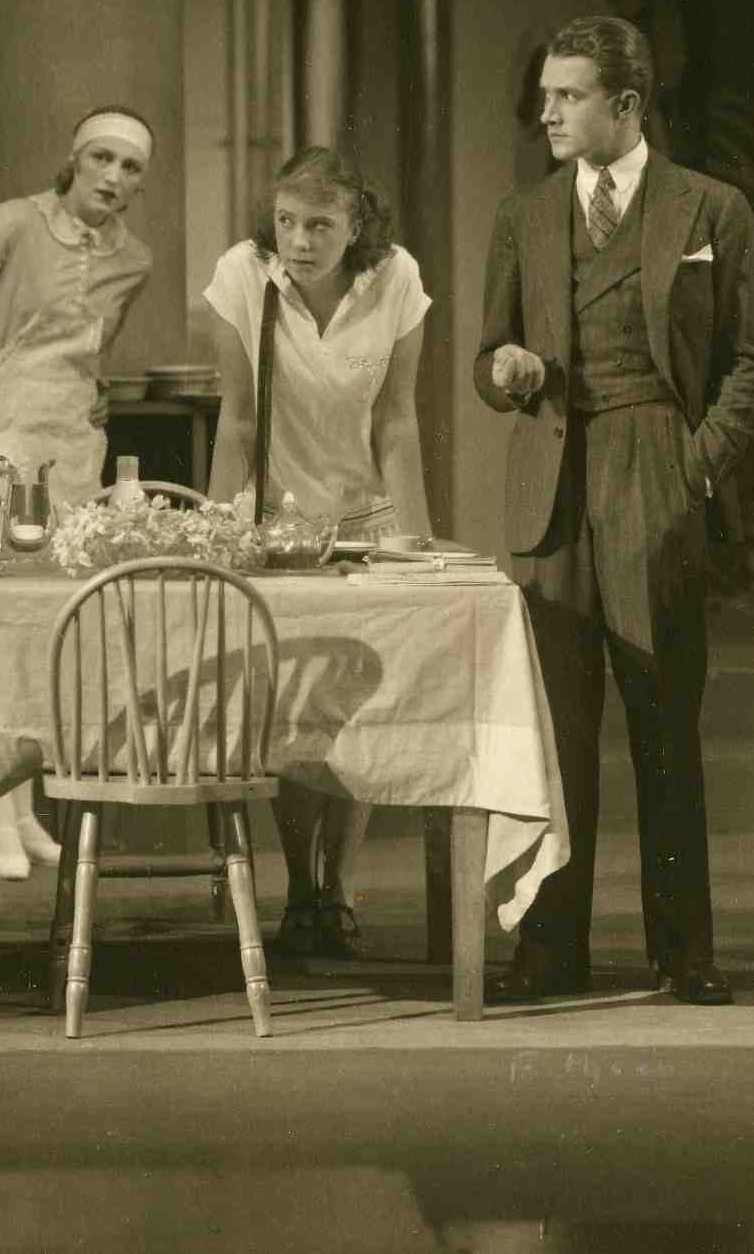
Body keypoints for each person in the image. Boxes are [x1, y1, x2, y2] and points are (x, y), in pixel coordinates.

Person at [471, 13, 754, 1006]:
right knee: (555, 736)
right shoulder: (524, 214)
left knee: (663, 726)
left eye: (568, 95)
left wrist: (692, 465)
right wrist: (504, 369)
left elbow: (753, 364)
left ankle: (682, 950)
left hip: (656, 470)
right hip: (551, 487)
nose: (548, 112)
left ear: (628, 104)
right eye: (546, 95)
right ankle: (547, 948)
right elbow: (488, 353)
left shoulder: (712, 208)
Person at [0, 106, 158, 880]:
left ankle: (22, 808)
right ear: (74, 159)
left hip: (70, 451)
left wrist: (96, 393)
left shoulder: (134, 259)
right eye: (101, 157)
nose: (113, 176)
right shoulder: (15, 223)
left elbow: (92, 349)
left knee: (51, 630)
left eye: (131, 167)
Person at [201, 142, 436, 957]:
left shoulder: (397, 277)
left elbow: (397, 420)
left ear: (356, 223)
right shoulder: (243, 274)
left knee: (356, 710)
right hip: (275, 524)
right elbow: (236, 420)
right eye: (287, 221)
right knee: (292, 705)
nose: (299, 241)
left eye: (320, 225)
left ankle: (339, 884)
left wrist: (415, 542)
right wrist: (219, 535)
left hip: (366, 519)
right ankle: (302, 885)